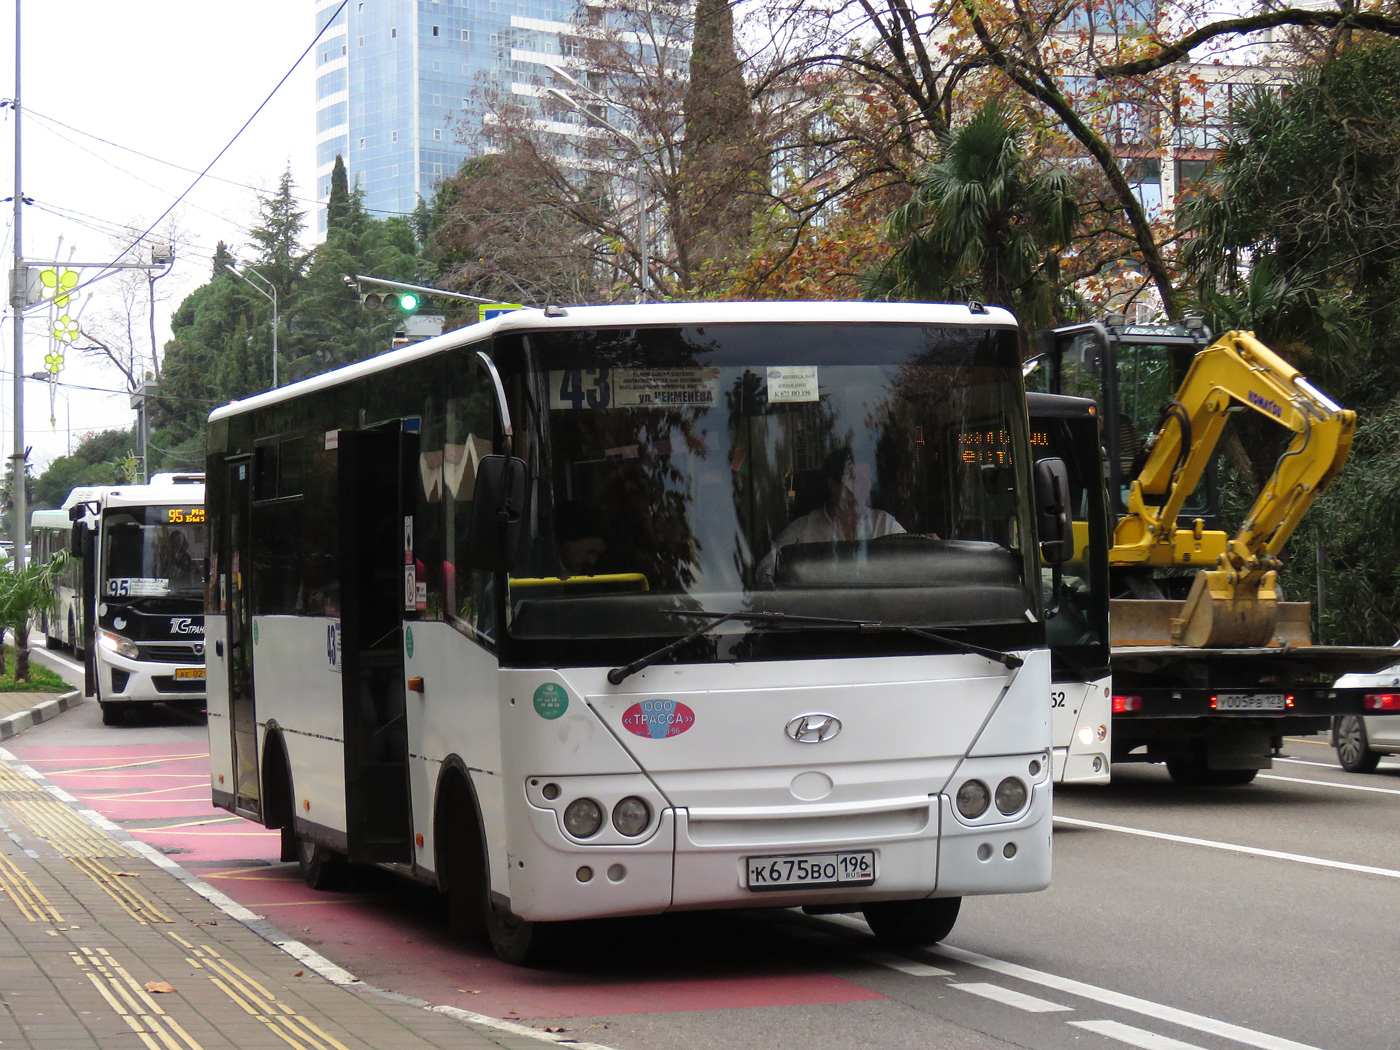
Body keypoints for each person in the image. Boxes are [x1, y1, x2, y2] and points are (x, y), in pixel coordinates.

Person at [757, 447, 904, 580]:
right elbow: (765, 572)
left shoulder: (885, 525)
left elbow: (911, 562)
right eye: (855, 478)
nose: (866, 485)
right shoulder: (802, 531)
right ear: (833, 484)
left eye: (868, 477)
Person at [553, 501, 607, 577]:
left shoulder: (601, 574)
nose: (592, 561)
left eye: (597, 555)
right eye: (589, 552)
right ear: (566, 543)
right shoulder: (539, 569)